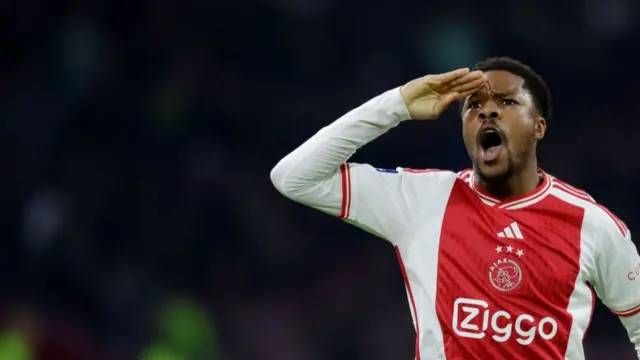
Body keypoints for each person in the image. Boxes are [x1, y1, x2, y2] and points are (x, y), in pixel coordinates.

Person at [269, 57, 640, 359]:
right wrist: (396, 105)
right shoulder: (422, 199)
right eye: (473, 105)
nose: (487, 113)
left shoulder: (591, 224)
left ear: (538, 126)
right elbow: (294, 177)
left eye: (506, 102)